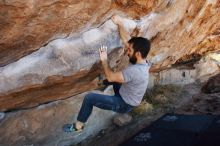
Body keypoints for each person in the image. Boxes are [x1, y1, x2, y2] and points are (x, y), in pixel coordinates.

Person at [63, 15, 151, 132]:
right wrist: (120, 23)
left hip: (124, 104)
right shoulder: (143, 61)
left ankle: (78, 127)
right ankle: (101, 83)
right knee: (115, 79)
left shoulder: (135, 71)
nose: (127, 51)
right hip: (125, 92)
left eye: (129, 50)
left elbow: (110, 76)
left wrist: (104, 59)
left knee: (90, 98)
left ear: (138, 53)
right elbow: (127, 40)